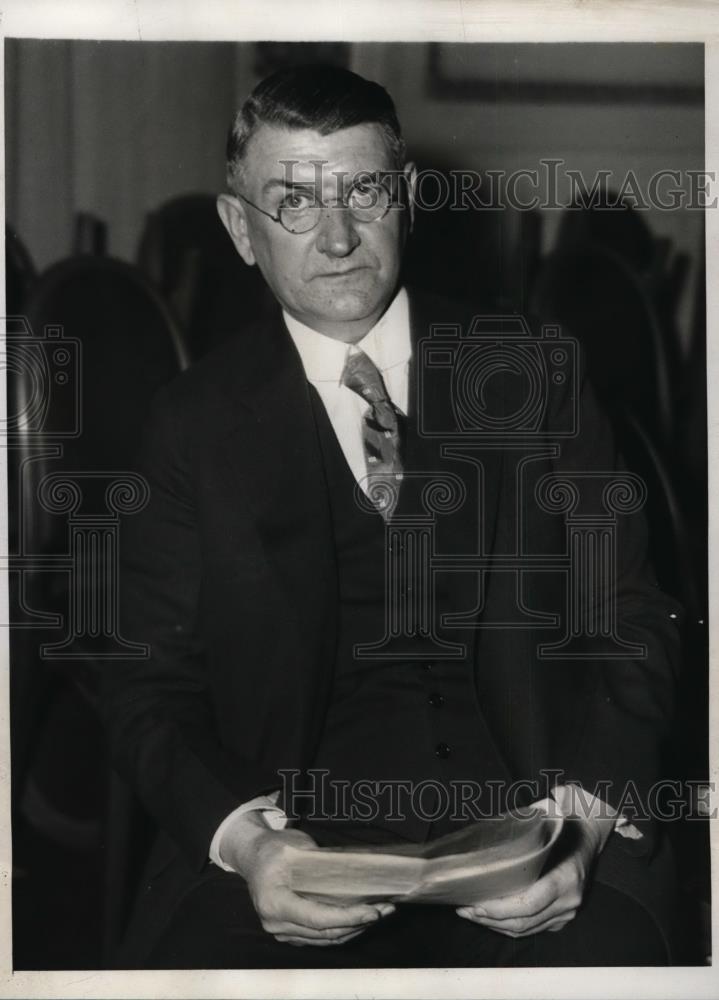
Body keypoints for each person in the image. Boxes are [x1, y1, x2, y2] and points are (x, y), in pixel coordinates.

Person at [102, 64, 683, 969]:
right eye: (292, 201)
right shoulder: (192, 422)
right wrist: (254, 848)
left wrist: (581, 818)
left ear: (406, 199)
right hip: (292, 841)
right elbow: (146, 687)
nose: (336, 236)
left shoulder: (531, 369)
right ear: (239, 230)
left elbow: (636, 620)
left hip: (538, 818)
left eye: (363, 191)